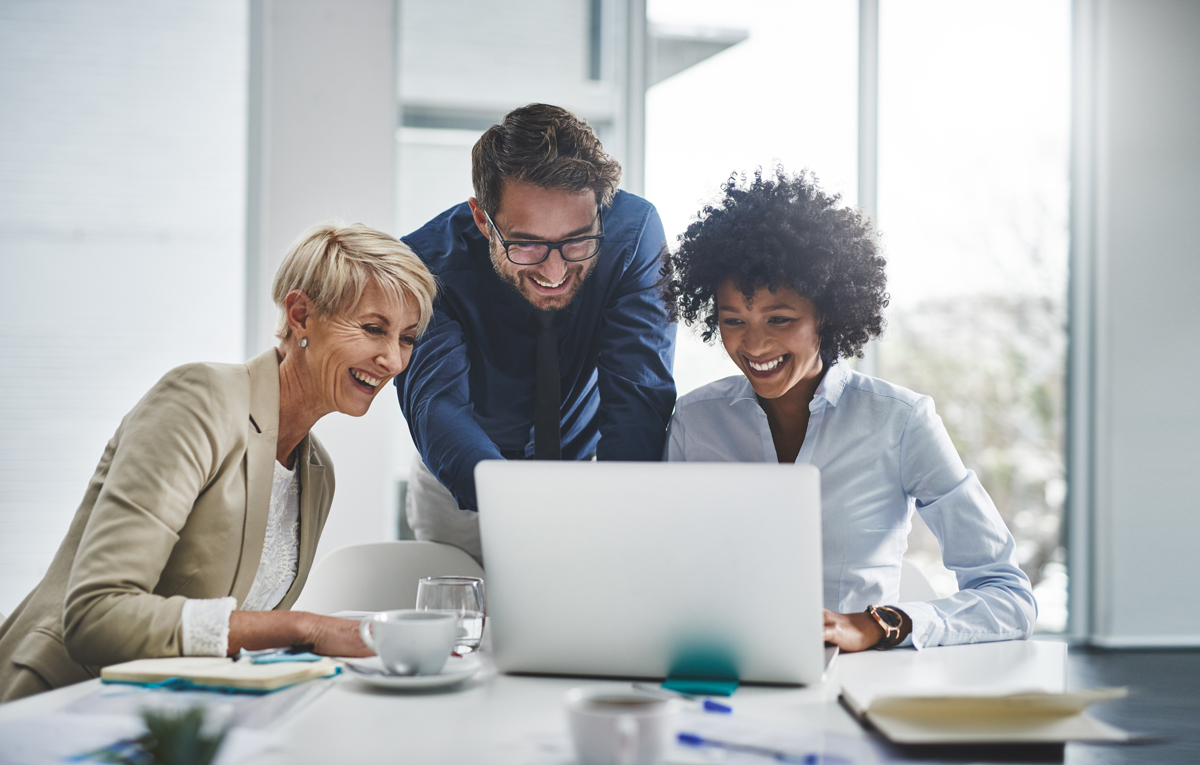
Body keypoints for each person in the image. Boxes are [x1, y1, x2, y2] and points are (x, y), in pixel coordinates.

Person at [0, 222, 437, 702]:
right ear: (300, 314)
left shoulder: (317, 473)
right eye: (374, 329)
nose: (393, 360)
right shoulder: (199, 400)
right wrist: (302, 627)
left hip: (177, 719)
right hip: (59, 704)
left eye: (407, 338)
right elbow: (97, 616)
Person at [661, 168, 1036, 651]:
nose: (753, 344)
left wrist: (875, 624)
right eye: (734, 320)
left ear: (828, 313)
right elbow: (665, 572)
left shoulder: (900, 422)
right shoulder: (695, 422)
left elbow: (1009, 596)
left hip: (855, 682)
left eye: (780, 319)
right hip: (723, 671)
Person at [398, 104, 676, 562]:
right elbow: (437, 405)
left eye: (576, 240)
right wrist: (523, 510)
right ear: (483, 219)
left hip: (590, 473)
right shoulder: (424, 263)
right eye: (525, 243)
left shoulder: (633, 234)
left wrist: (617, 516)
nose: (554, 269)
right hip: (463, 488)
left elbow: (638, 395)